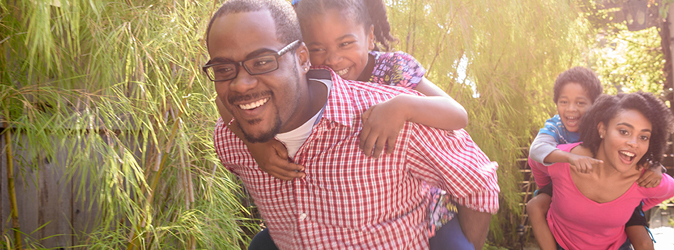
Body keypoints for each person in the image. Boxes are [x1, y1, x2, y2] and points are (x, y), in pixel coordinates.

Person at [204, 0, 499, 249]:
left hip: (433, 211)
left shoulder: (394, 80)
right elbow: (227, 105)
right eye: (224, 69)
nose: (332, 58)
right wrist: (253, 141)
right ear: (306, 51)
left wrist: (403, 106)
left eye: (263, 61)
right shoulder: (241, 127)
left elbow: (458, 119)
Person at [525, 67, 664, 250]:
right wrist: (569, 158)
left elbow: (635, 149)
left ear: (595, 105)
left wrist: (656, 167)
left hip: (616, 184)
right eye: (564, 101)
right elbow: (536, 150)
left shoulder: (608, 122)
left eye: (581, 103)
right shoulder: (556, 126)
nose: (571, 109)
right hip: (570, 179)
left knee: (643, 240)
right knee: (535, 205)